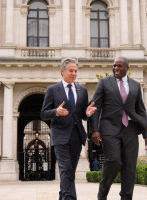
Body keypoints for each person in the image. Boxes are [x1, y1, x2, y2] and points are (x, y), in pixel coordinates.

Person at [90, 57, 147, 200]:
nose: (116, 68)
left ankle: (126, 197)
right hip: (109, 127)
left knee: (130, 166)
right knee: (114, 160)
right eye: (114, 66)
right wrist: (95, 130)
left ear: (127, 68)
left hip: (130, 129)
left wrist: (146, 133)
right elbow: (95, 107)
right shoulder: (104, 83)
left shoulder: (136, 85)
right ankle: (102, 194)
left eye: (119, 66)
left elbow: (141, 110)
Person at [41, 58, 97, 200]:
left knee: (69, 171)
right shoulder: (53, 90)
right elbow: (43, 113)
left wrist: (87, 113)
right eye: (71, 70)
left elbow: (83, 115)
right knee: (65, 169)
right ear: (62, 71)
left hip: (77, 136)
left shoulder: (82, 90)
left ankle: (63, 197)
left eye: (76, 71)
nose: (74, 73)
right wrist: (56, 112)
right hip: (60, 135)